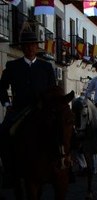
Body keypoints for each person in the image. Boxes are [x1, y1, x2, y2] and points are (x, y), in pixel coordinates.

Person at [0, 24, 56, 183]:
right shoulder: (12, 66)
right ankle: (9, 171)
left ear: (36, 47)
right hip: (19, 109)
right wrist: (6, 104)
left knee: (62, 130)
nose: (30, 48)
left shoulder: (46, 67)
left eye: (33, 45)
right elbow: (1, 88)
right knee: (3, 132)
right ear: (22, 47)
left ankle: (65, 166)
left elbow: (52, 90)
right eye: (27, 45)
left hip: (42, 110)